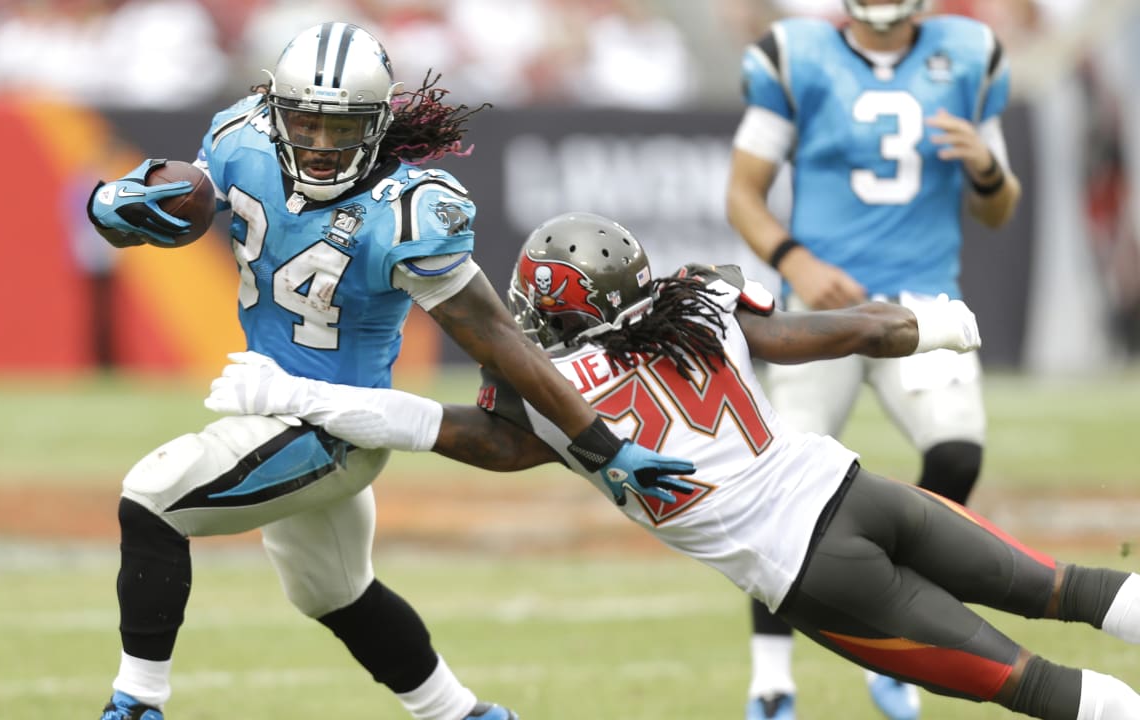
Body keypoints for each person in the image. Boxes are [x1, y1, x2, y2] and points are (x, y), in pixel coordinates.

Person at [205, 211, 1140, 720]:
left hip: (811, 572)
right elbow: (824, 332)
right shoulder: (698, 298)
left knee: (1023, 681)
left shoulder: (540, 392)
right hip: (861, 491)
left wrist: (301, 394)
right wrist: (924, 322)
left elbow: (423, 424)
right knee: (1065, 587)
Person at [83, 24, 694, 720]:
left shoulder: (408, 212)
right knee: (331, 591)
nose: (316, 144)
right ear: (272, 111)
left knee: (153, 495)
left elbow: (498, 340)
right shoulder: (240, 138)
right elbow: (172, 202)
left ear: (377, 124)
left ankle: (136, 702)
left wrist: (603, 447)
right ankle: (465, 715)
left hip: (333, 426)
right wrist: (112, 205)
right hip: (268, 405)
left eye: (338, 128)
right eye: (303, 121)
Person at [725, 0, 1025, 717]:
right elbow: (744, 194)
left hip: (920, 303)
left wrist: (986, 169)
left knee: (957, 453)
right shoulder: (796, 55)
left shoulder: (968, 53)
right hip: (822, 310)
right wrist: (795, 259)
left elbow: (1000, 207)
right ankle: (771, 680)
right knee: (778, 483)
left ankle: (897, 634)